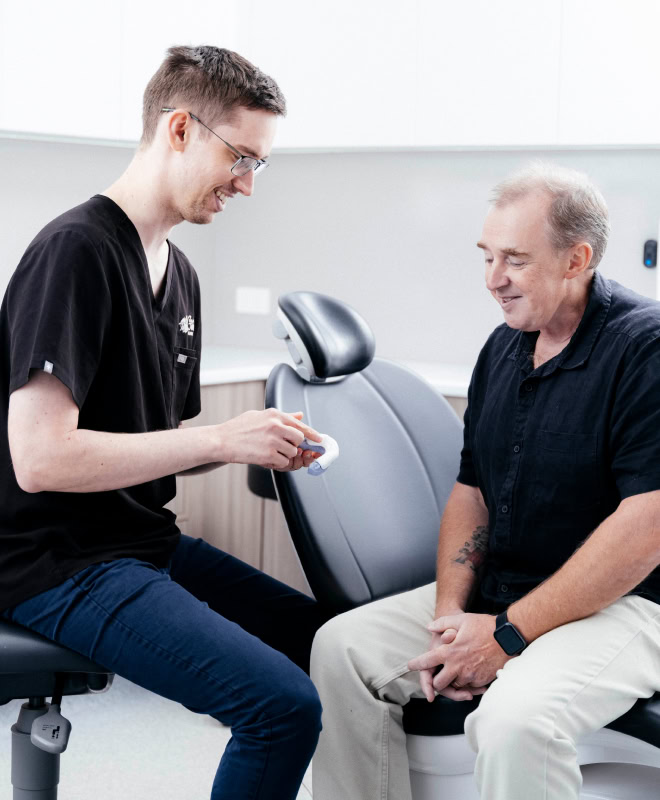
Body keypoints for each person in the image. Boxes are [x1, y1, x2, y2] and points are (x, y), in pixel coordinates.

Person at [0, 45, 330, 800]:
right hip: (57, 564)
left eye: (260, 165)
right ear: (179, 128)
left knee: (330, 647)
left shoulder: (177, 272)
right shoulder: (74, 253)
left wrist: (254, 439)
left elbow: (155, 445)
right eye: (242, 157)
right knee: (281, 709)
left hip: (139, 543)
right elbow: (40, 460)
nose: (248, 184)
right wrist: (219, 438)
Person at [310, 162, 660, 800]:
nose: (493, 280)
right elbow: (471, 493)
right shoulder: (502, 347)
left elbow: (646, 530)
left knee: (516, 720)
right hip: (504, 591)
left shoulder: (645, 348)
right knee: (341, 649)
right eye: (487, 256)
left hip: (626, 605)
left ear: (576, 258)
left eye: (516, 260)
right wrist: (450, 617)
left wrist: (505, 636)